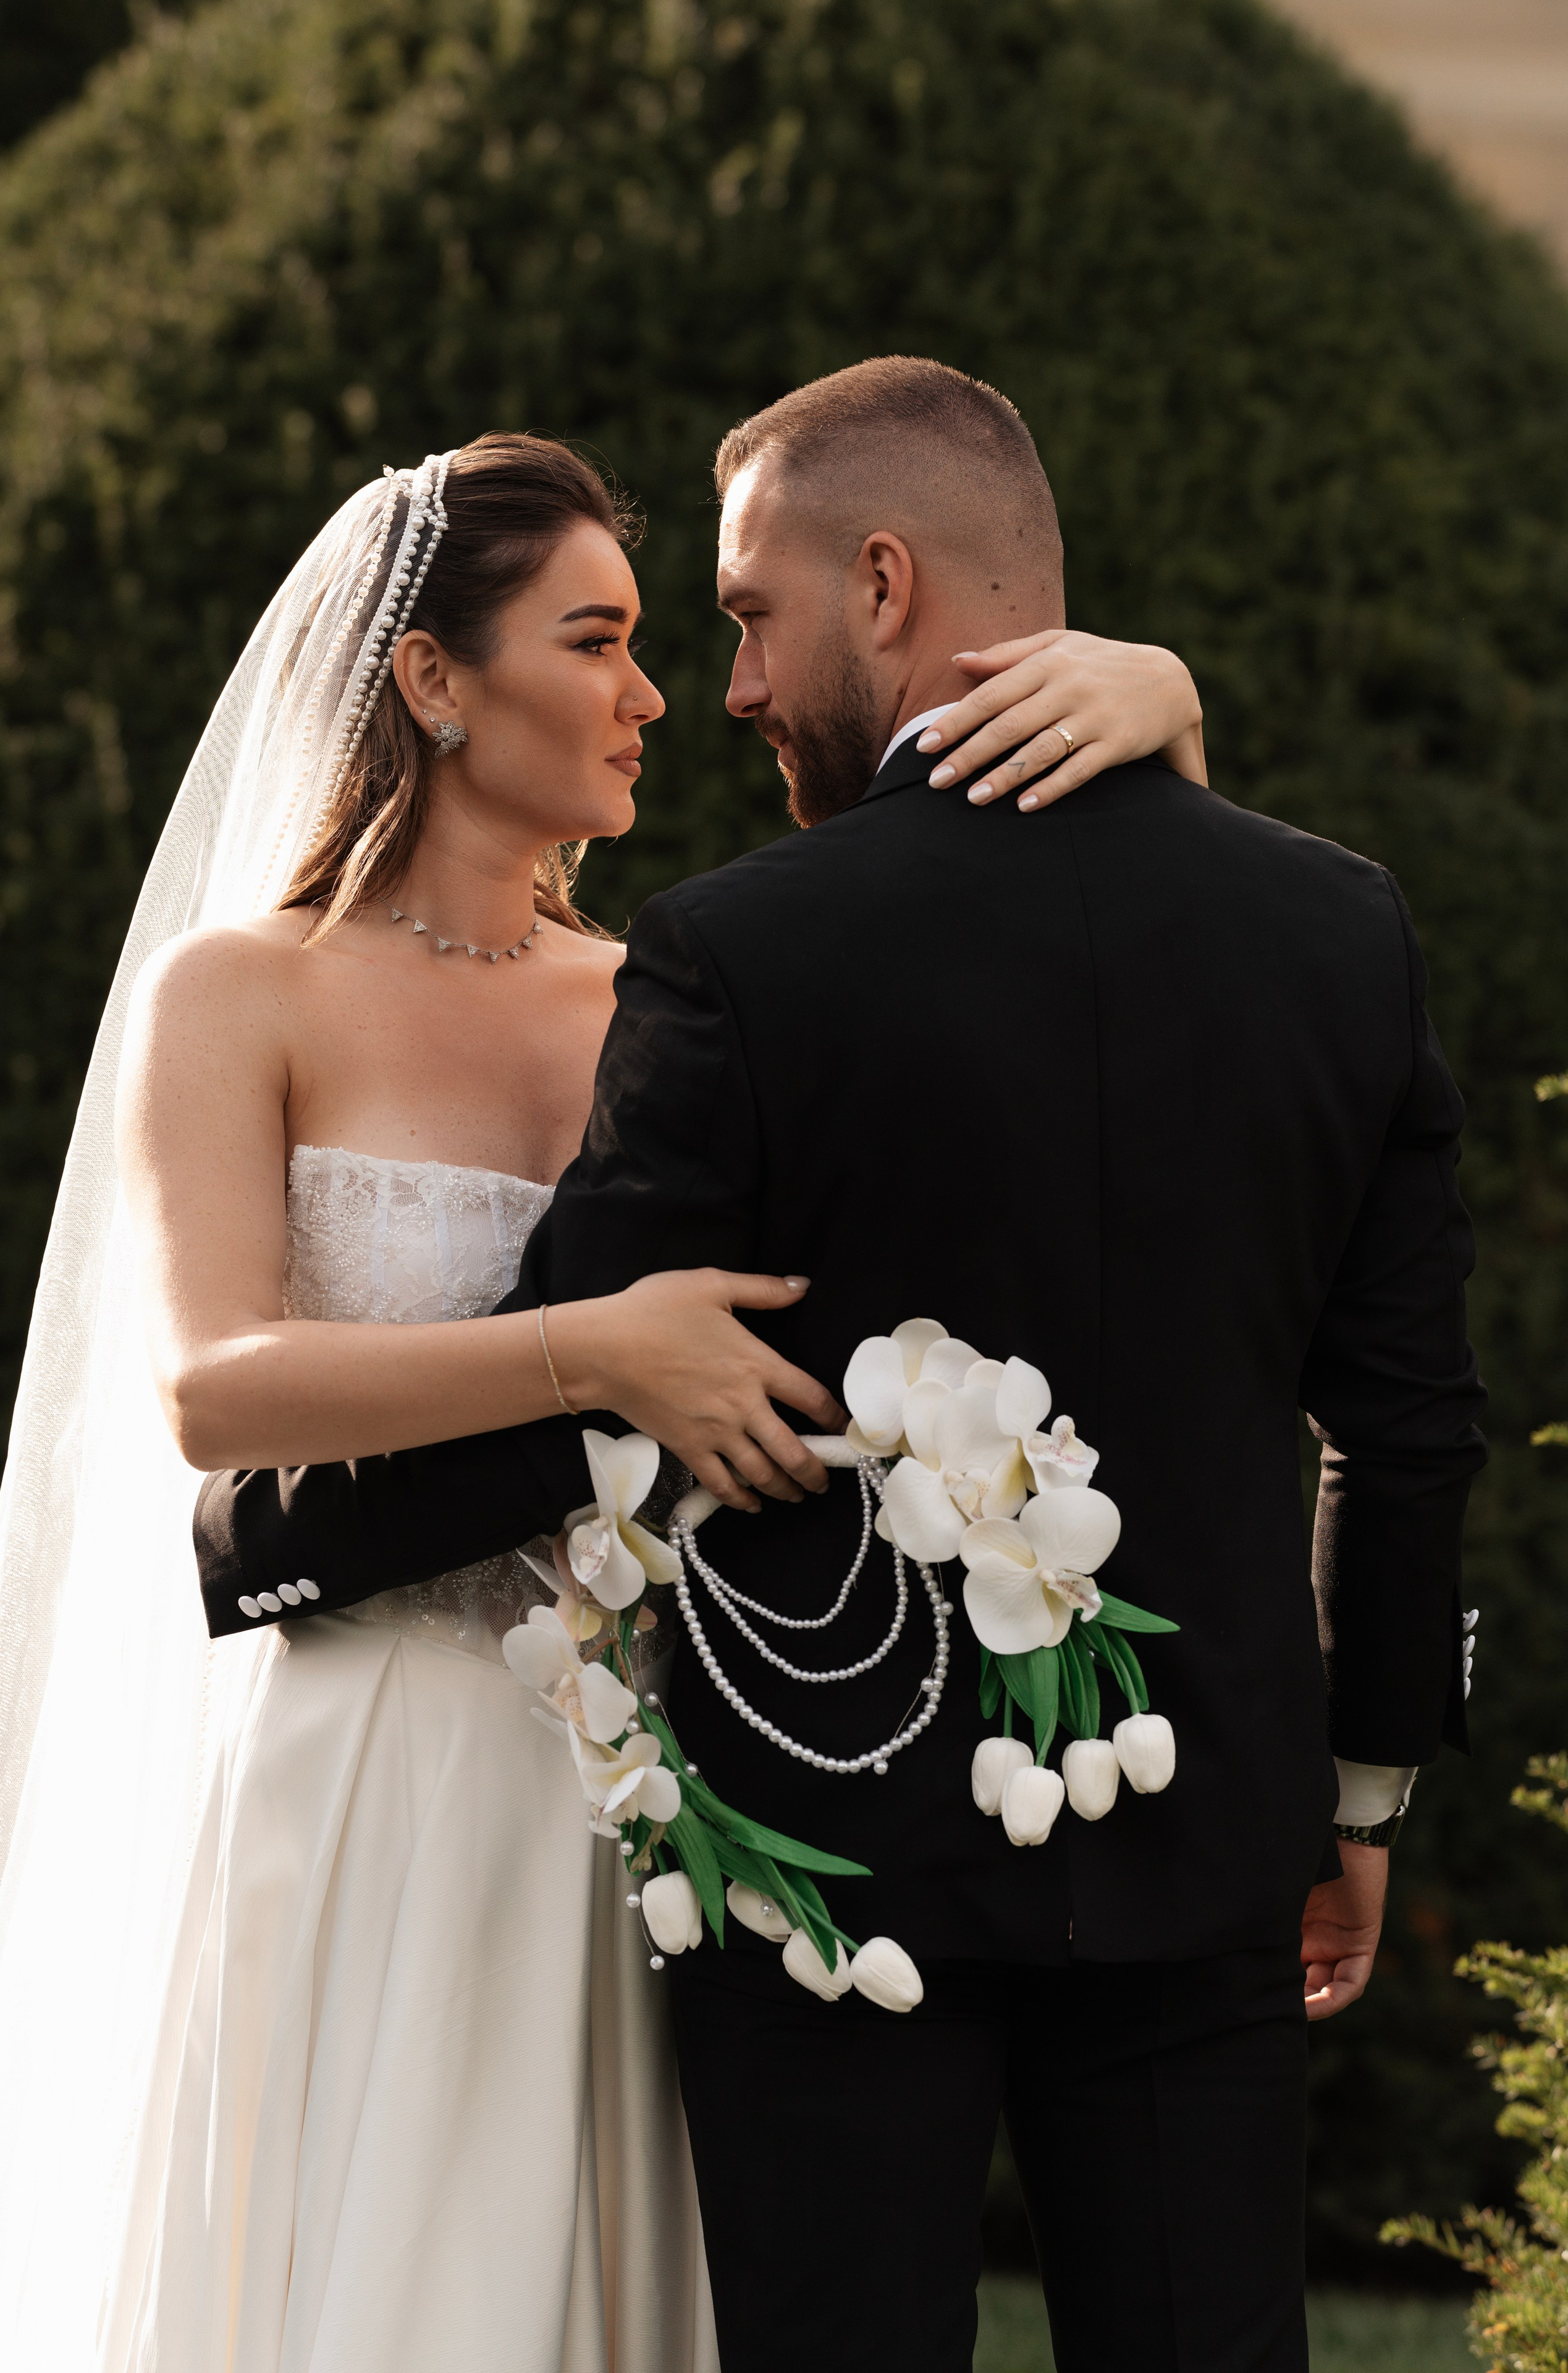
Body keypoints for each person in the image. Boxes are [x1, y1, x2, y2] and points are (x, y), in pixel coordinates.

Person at [196, 360, 1486, 2373]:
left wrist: (261, 1539)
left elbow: (614, 1375)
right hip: (1206, 1833)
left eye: (746, 617)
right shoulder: (1343, 933)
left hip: (830, 1865)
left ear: (884, 584)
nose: (724, 686)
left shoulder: (739, 952)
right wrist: (1365, 1787)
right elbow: (1406, 1432)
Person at [0, 425, 1201, 2372]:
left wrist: (1168, 713)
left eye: (659, 639)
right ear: (434, 678)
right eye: (598, 638)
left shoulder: (668, 994)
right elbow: (217, 1395)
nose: (659, 694)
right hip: (369, 1766)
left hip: (648, 1803)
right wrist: (593, 1352)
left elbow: (1028, 1060)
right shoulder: (245, 996)